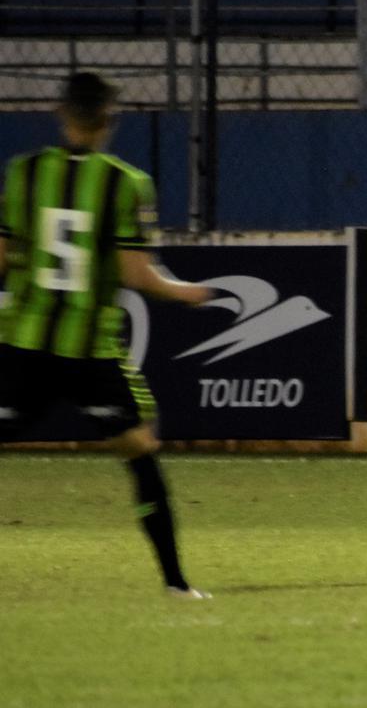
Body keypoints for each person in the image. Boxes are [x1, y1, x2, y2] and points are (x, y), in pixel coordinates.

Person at [0, 72, 213, 599]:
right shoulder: (126, 183)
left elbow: (2, 259)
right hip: (88, 351)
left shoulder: (22, 174)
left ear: (60, 113)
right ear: (109, 121)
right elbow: (137, 277)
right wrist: (188, 293)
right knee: (139, 450)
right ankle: (176, 583)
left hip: (24, 344)